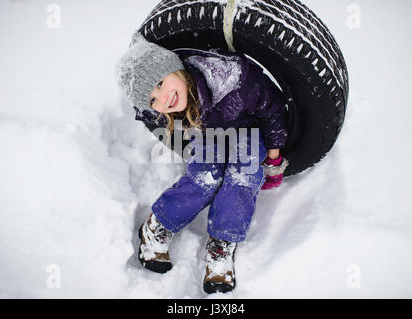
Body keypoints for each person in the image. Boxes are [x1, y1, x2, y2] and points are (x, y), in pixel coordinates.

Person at [116, 32, 289, 294]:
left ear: (174, 68)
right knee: (204, 177)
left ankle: (221, 244)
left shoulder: (233, 80)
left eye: (161, 83)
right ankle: (158, 225)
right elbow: (153, 120)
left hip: (248, 131)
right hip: (206, 134)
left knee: (242, 177)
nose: (163, 99)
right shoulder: (169, 111)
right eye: (153, 99)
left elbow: (273, 108)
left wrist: (274, 157)